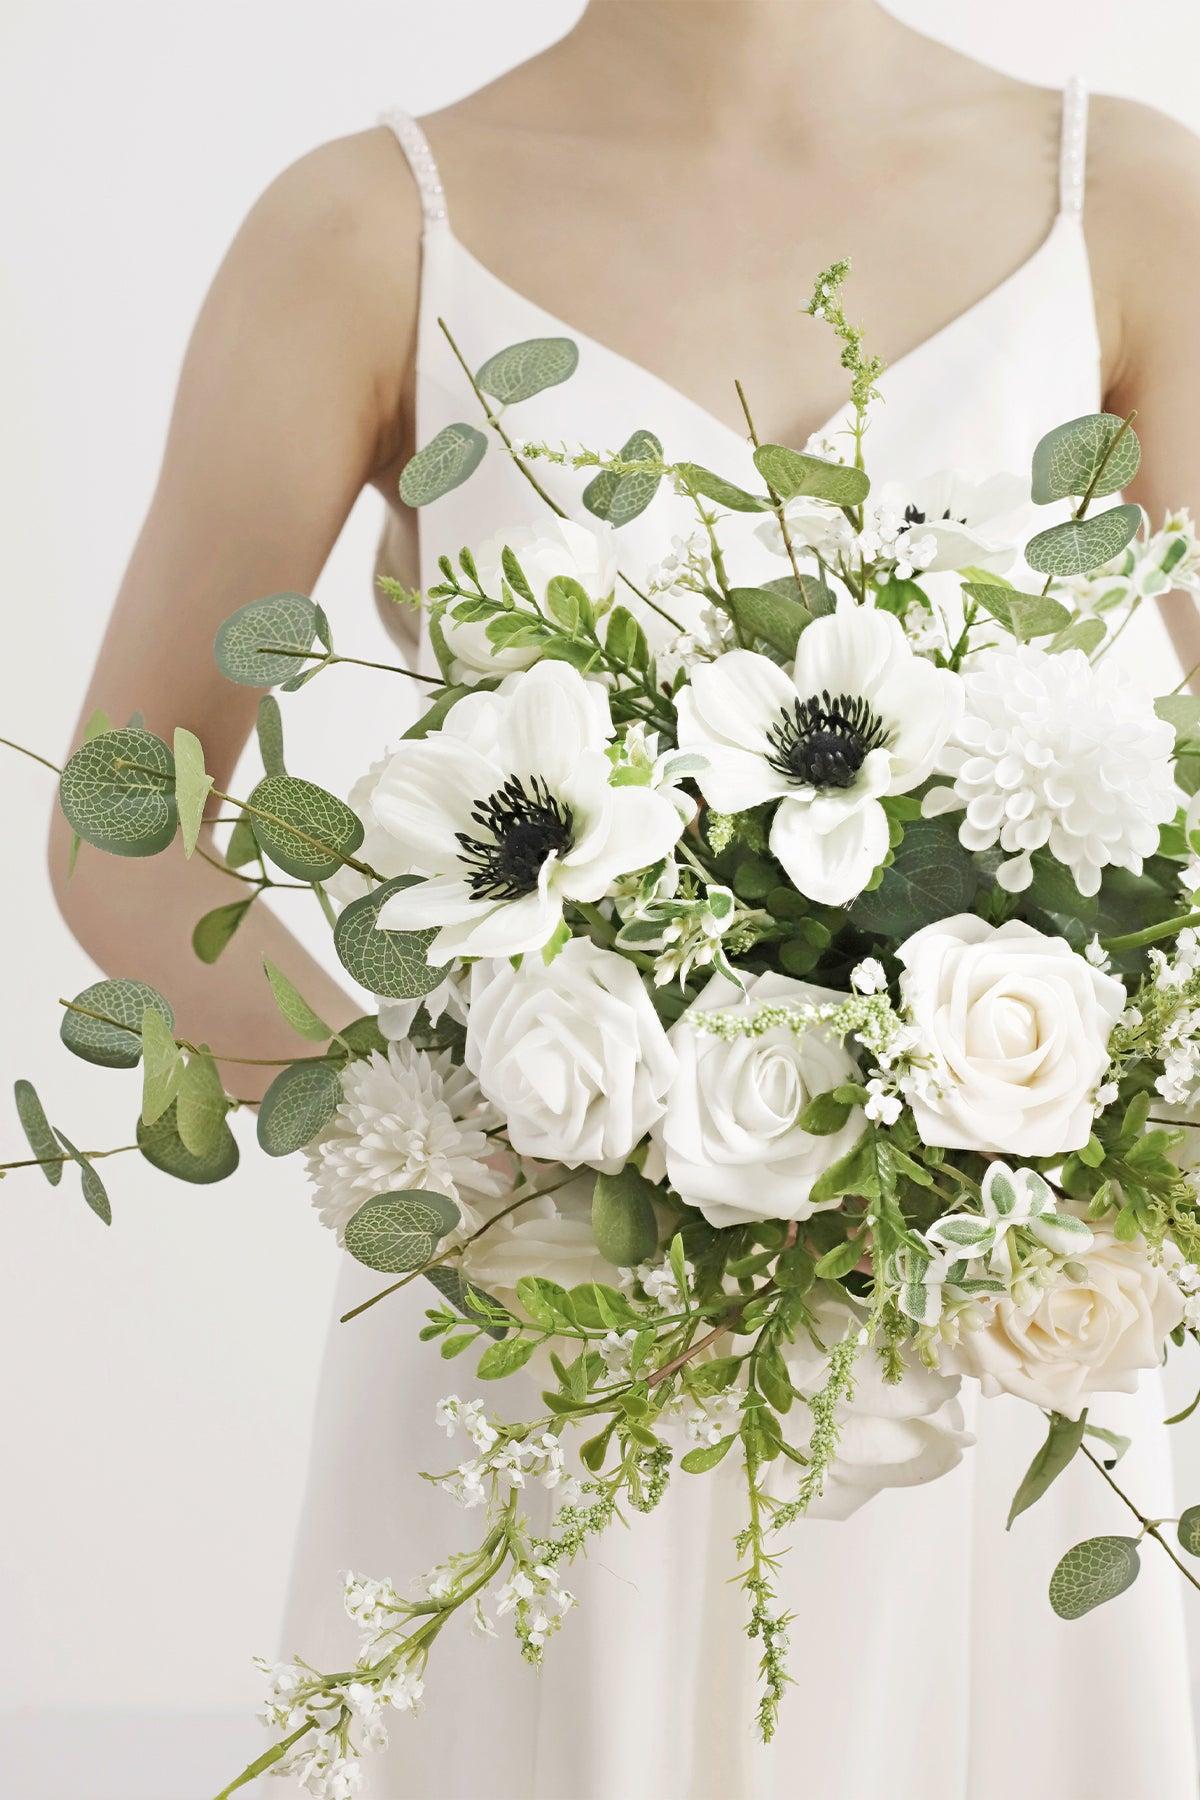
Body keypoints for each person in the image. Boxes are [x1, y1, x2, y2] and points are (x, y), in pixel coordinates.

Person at [50, 5, 1200, 1795]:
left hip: (986, 1346)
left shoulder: (1124, 197)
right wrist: (428, 1141)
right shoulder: (365, 229)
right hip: (547, 1332)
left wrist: (1104, 1119)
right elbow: (127, 819)